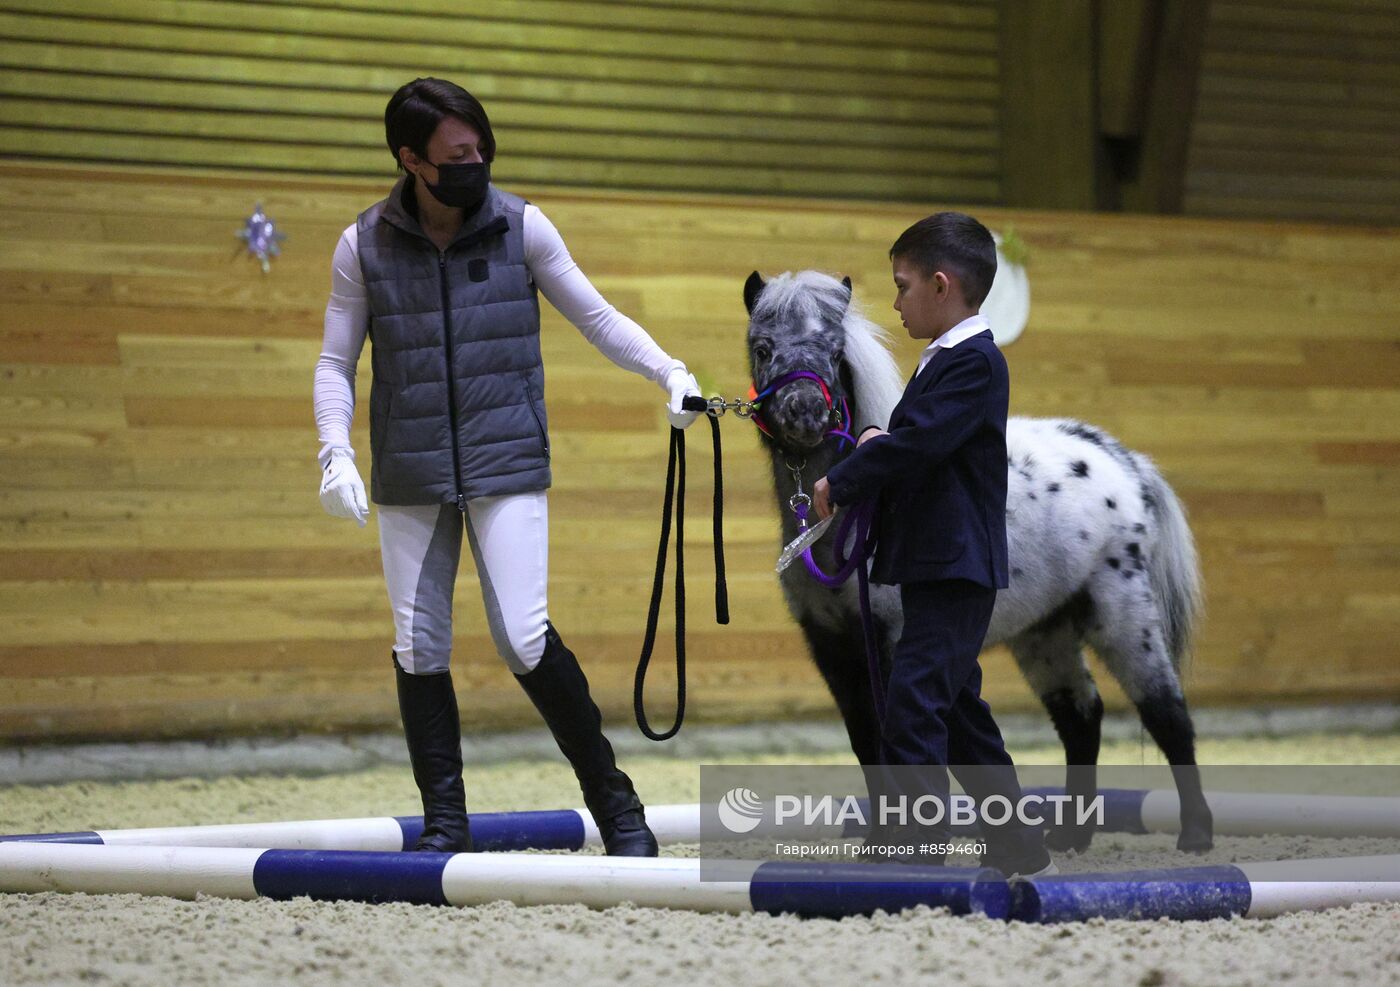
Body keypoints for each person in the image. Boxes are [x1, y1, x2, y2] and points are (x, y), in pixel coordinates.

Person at [312, 78, 702, 856]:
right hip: (410, 465)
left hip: (506, 457)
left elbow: (596, 316)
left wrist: (669, 370)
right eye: (457, 153)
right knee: (418, 642)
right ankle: (444, 824)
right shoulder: (363, 245)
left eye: (480, 147)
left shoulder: (523, 227)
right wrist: (335, 452)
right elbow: (335, 360)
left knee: (524, 636)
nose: (476, 162)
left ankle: (618, 808)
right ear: (411, 160)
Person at [811, 212, 1052, 877]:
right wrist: (876, 440)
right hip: (938, 565)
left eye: (902, 286)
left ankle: (914, 848)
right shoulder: (947, 359)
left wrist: (847, 477)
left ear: (941, 285)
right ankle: (1017, 844)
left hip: (954, 566)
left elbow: (917, 444)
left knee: (913, 703)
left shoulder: (974, 363)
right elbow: (916, 439)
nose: (896, 303)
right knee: (957, 709)